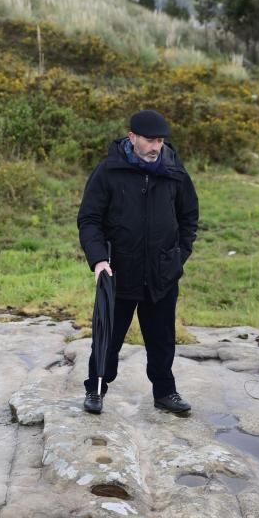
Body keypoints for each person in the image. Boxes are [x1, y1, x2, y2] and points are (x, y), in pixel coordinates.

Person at [77, 109, 199, 415]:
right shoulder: (108, 171)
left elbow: (189, 218)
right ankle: (96, 389)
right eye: (149, 140)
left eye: (160, 140)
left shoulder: (174, 172)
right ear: (132, 138)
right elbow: (89, 220)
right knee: (107, 338)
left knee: (162, 340)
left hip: (162, 274)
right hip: (118, 273)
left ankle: (165, 393)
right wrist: (98, 261)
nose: (155, 146)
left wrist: (178, 256)